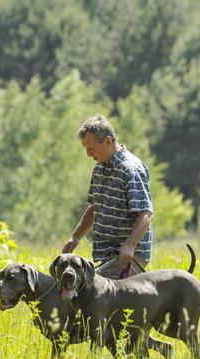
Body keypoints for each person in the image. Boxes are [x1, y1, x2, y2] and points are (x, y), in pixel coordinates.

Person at [62, 114, 153, 279]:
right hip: (107, 255)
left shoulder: (130, 169)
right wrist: (75, 238)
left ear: (108, 141)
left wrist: (130, 245)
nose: (89, 154)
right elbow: (95, 207)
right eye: (86, 149)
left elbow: (146, 214)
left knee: (97, 297)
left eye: (91, 148)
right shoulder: (99, 169)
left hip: (128, 256)